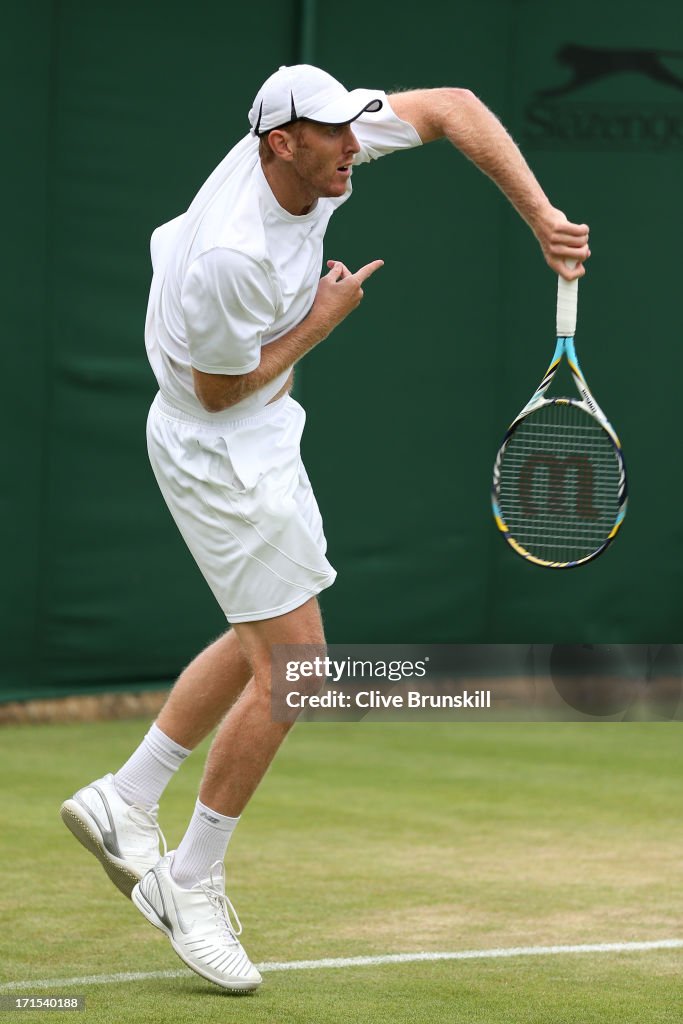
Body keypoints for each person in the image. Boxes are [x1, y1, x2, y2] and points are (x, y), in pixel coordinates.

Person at [60, 64, 590, 994]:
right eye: (335, 136)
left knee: (263, 630)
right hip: (221, 444)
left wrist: (540, 216)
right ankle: (189, 882)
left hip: (251, 434)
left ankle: (127, 795)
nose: (355, 147)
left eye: (355, 128)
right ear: (281, 144)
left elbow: (452, 107)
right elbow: (222, 390)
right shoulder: (235, 254)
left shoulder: (313, 148)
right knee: (300, 668)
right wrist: (321, 320)